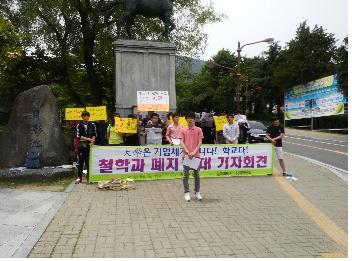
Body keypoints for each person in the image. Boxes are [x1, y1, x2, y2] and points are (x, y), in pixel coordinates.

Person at [180, 112, 204, 202]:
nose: (190, 120)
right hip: (186, 155)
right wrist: (187, 151)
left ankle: (197, 192)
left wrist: (194, 151)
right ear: (186, 119)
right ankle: (186, 192)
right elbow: (182, 142)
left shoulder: (198, 130)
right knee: (185, 175)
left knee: (197, 175)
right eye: (188, 118)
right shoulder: (183, 130)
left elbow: (200, 142)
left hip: (195, 155)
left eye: (191, 118)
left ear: (194, 119)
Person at [75, 111, 97, 184]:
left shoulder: (92, 124)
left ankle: (89, 178)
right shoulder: (79, 125)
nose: (86, 117)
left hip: (90, 146)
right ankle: (79, 178)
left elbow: (94, 134)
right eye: (84, 116)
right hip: (81, 146)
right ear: (82, 117)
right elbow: (79, 136)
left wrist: (93, 140)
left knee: (89, 162)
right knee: (81, 162)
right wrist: (88, 139)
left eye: (87, 116)